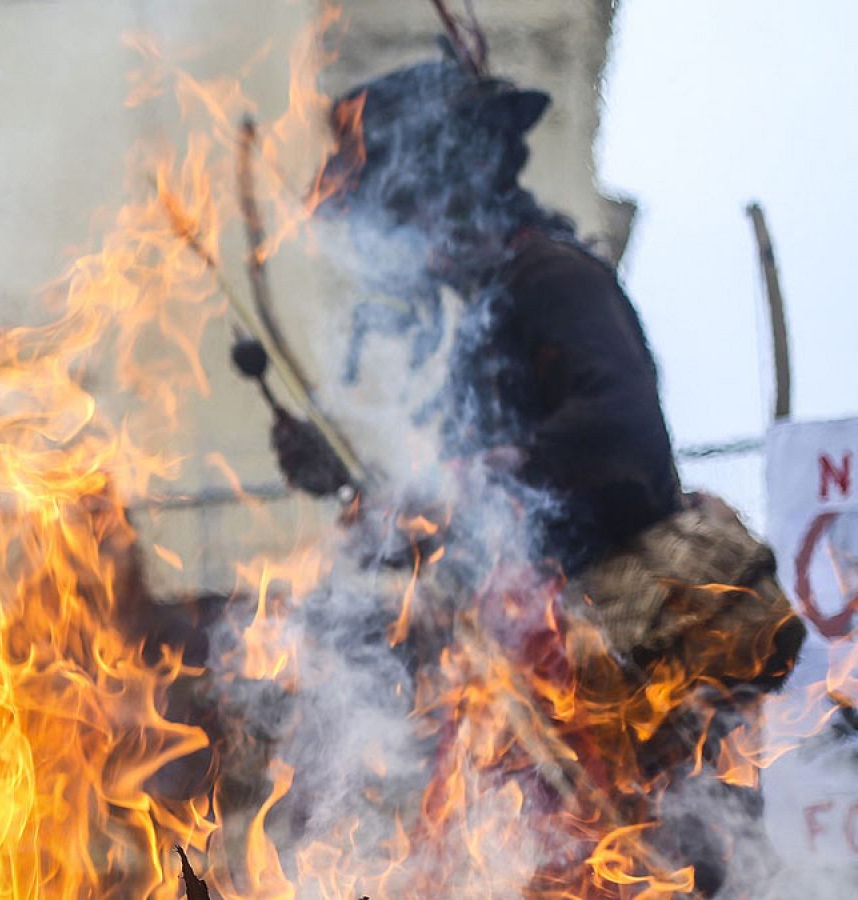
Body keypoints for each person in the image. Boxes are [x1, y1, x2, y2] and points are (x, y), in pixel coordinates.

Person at [269, 54, 804, 894]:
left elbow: (620, 430)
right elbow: (468, 531)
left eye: (401, 204)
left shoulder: (551, 277)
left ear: (451, 189)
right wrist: (354, 490)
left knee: (663, 868)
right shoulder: (489, 313)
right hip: (550, 689)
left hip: (630, 670)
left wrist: (466, 478)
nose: (396, 232)